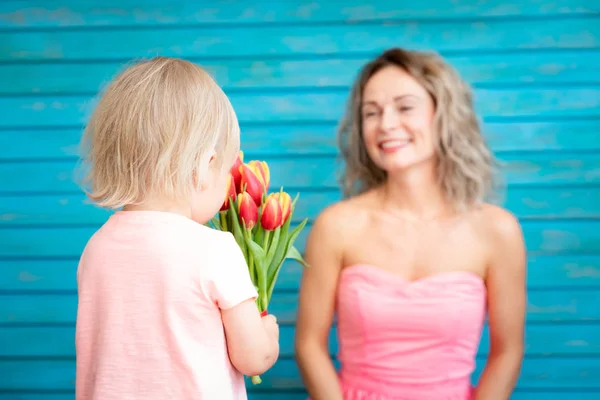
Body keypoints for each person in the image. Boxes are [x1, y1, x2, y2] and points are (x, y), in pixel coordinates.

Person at [295, 48, 526, 400]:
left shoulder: (497, 231)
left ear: (443, 115)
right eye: (371, 112)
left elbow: (506, 353)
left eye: (404, 107)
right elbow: (310, 345)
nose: (386, 124)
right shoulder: (336, 226)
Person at [75, 56, 279, 400]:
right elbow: (252, 357)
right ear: (206, 165)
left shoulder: (97, 247)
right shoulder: (214, 248)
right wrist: (267, 333)